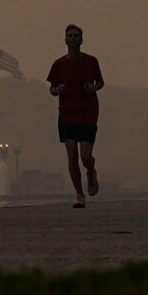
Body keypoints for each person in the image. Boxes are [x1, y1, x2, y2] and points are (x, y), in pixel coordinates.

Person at [44, 23, 104, 207]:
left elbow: (100, 82)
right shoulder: (59, 64)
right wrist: (57, 90)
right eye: (70, 35)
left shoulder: (91, 61)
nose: (73, 38)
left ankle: (91, 171)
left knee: (85, 156)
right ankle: (79, 194)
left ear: (81, 40)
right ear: (65, 40)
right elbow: (51, 88)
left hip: (87, 114)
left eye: (76, 35)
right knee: (72, 156)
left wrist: (93, 88)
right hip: (67, 115)